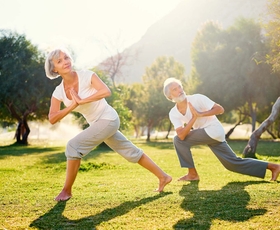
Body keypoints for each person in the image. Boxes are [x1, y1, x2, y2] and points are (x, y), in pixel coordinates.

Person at [44, 48, 172, 201]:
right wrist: (72, 106)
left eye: (66, 58)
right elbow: (52, 118)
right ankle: (163, 177)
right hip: (97, 124)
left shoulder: (87, 75)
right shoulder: (58, 92)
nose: (65, 62)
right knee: (130, 150)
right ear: (54, 69)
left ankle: (67, 191)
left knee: (73, 146)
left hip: (108, 118)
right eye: (59, 61)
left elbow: (105, 91)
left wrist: (82, 101)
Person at [163, 77, 280, 182]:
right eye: (175, 89)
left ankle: (192, 174)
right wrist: (193, 118)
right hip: (207, 135)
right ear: (170, 96)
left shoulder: (197, 98)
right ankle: (274, 167)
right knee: (232, 164)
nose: (179, 90)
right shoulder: (173, 113)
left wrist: (200, 114)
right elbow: (182, 135)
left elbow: (220, 109)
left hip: (213, 130)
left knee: (177, 141)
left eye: (179, 87)